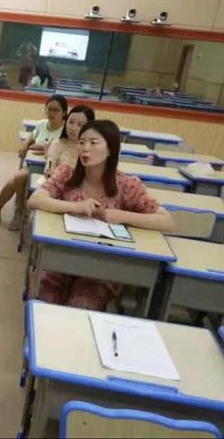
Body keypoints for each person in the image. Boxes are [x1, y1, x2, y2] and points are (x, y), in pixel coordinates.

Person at [27, 120, 174, 310]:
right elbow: (35, 200)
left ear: (110, 149)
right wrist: (76, 207)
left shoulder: (127, 185)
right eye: (81, 142)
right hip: (62, 257)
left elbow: (166, 221)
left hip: (103, 267)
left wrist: (119, 215)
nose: (85, 148)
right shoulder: (67, 173)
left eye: (93, 143)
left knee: (83, 305)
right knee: (42, 297)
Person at [0, 95, 68, 231]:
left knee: (19, 179)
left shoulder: (66, 130)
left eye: (56, 110)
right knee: (16, 179)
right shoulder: (41, 124)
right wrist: (25, 145)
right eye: (49, 109)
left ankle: (19, 213)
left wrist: (39, 146)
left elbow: (56, 148)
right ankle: (0, 210)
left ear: (64, 113)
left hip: (51, 172)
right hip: (33, 165)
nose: (51, 113)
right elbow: (31, 136)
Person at [44, 105, 95, 175]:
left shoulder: (94, 149)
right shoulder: (57, 144)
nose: (73, 128)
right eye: (71, 122)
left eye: (80, 125)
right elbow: (49, 170)